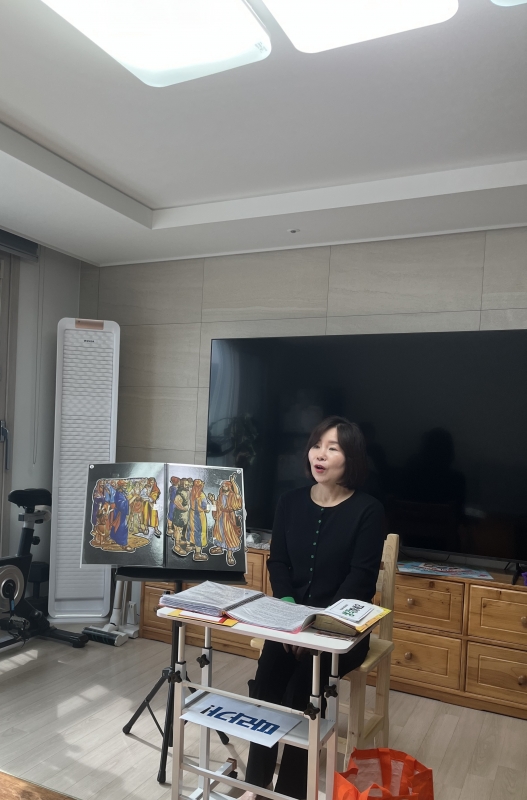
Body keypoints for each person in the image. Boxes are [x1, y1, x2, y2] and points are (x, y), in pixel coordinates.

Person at [243, 416, 385, 800]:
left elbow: (360, 582)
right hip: (290, 623)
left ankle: (293, 792)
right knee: (266, 685)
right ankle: (256, 787)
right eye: (316, 445)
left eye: (332, 448)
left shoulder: (368, 510)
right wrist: (291, 615)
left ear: (351, 457)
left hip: (340, 631)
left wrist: (316, 628)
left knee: (302, 692)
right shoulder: (289, 502)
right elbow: (278, 563)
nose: (320, 455)